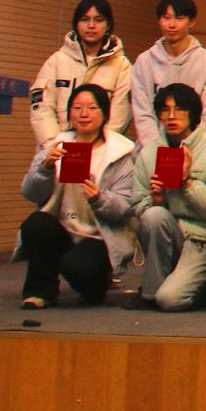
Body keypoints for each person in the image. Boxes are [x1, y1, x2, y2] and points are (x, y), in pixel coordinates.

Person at [18, 85, 137, 308]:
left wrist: (99, 199)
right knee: (35, 224)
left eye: (92, 108)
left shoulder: (121, 153)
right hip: (61, 230)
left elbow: (126, 207)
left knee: (80, 269)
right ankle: (40, 291)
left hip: (99, 237)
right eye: (77, 108)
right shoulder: (55, 146)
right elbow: (29, 193)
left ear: (104, 113)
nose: (84, 114)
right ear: (69, 113)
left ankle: (96, 285)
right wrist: (45, 168)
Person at [130, 83, 206, 311]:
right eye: (165, 110)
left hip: (200, 239)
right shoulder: (149, 153)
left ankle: (203, 286)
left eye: (179, 109)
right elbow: (137, 205)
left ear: (193, 113)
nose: (172, 116)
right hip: (168, 234)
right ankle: (150, 293)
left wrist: (187, 183)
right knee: (153, 215)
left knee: (170, 300)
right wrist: (156, 200)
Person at [33, 0, 132, 144]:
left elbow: (120, 115)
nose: (91, 26)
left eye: (98, 20)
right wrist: (53, 145)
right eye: (85, 20)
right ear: (76, 24)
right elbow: (41, 108)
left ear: (108, 26)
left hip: (102, 150)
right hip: (56, 149)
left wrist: (101, 148)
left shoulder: (122, 66)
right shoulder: (57, 61)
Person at [131, 0, 206, 143]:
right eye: (166, 18)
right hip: (152, 147)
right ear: (159, 21)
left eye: (179, 18)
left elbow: (205, 115)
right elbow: (143, 113)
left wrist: (190, 146)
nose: (172, 25)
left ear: (191, 22)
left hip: (197, 147)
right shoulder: (144, 61)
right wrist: (156, 148)